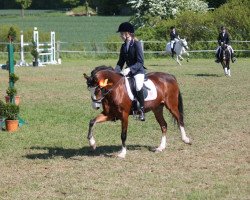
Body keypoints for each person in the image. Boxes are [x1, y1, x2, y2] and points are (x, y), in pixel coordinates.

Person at [115, 22, 146, 121]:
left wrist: (130, 69)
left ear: (128, 33)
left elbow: (140, 62)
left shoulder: (137, 44)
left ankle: (142, 110)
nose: (120, 35)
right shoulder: (123, 46)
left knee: (138, 86)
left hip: (138, 71)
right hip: (128, 72)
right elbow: (121, 61)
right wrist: (116, 70)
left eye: (122, 33)